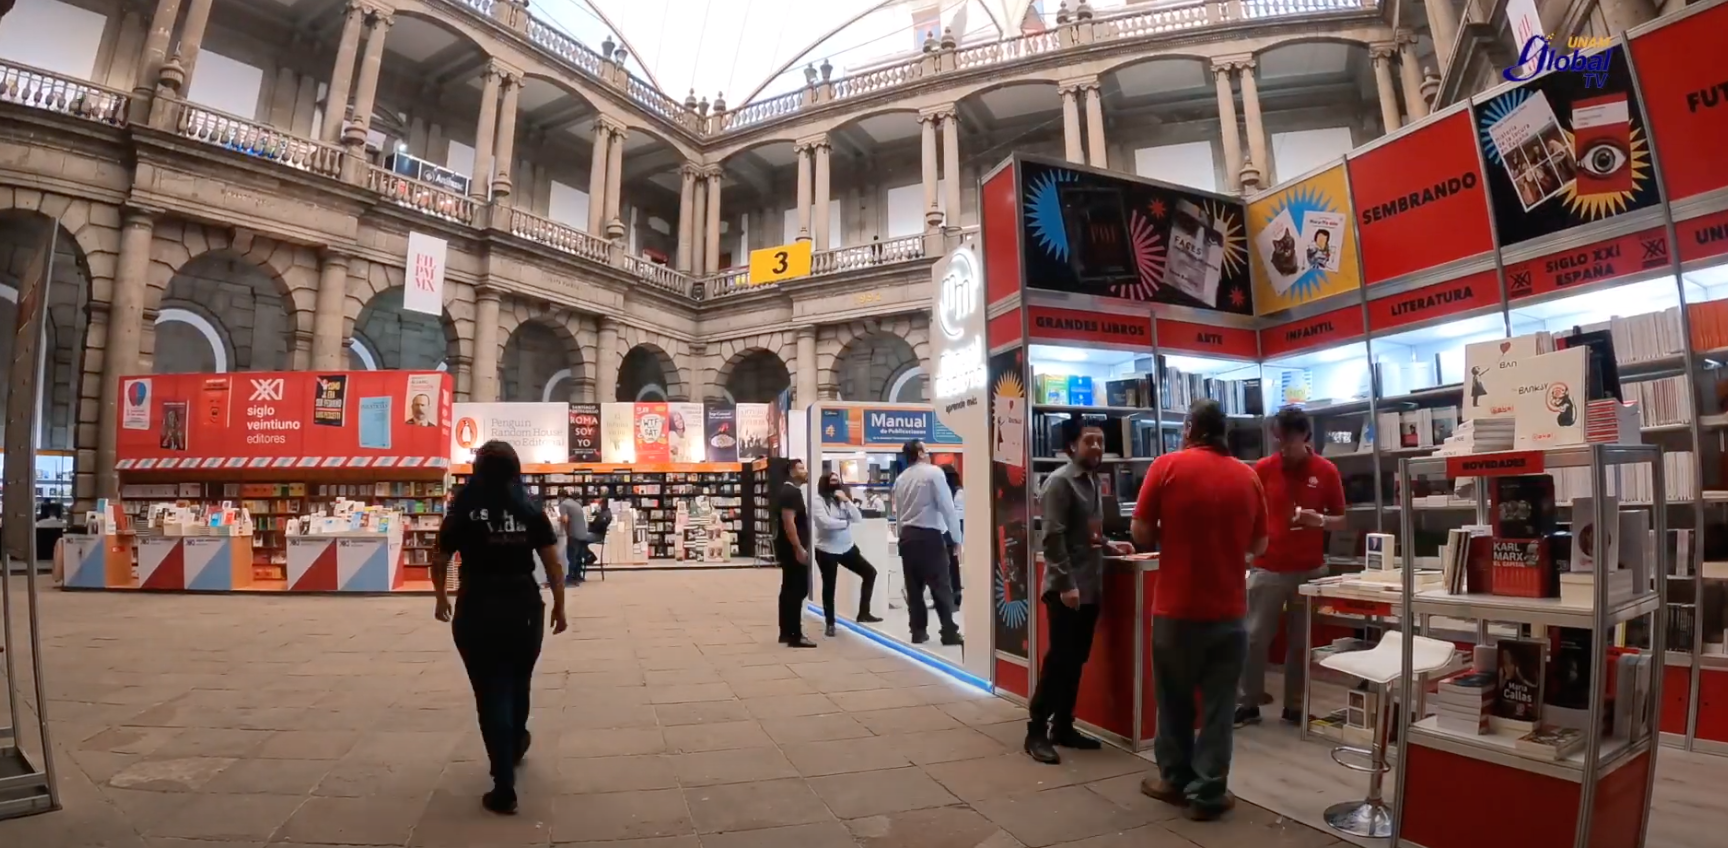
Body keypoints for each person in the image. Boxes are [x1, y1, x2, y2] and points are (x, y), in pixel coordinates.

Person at [1132, 399, 1267, 821]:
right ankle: (1208, 793)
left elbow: (1139, 531)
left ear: (1189, 428)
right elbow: (1259, 546)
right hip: (1228, 611)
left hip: (1175, 607)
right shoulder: (1249, 477)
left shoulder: (1166, 466)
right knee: (1219, 705)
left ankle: (1172, 779)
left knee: (1172, 699)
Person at [432, 440, 568, 816]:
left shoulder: (463, 508)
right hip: (523, 604)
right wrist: (559, 604)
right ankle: (517, 738)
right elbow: (551, 562)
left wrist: (441, 596)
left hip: (477, 602)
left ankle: (503, 782)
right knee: (519, 677)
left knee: (488, 689)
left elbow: (441, 555)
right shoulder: (528, 508)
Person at [1026, 418, 1131, 764]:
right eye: (1090, 441)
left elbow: (1089, 533)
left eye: (1101, 441)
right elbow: (1053, 537)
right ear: (1071, 446)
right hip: (1067, 590)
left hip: (1090, 587)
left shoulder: (1091, 482)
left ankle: (1064, 726)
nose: (1097, 448)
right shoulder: (1060, 483)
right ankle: (1036, 731)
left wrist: (1111, 546)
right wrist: (1067, 584)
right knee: (1059, 661)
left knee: (1076, 660)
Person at [1237, 406, 1345, 728]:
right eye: (1279, 439)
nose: (1284, 447)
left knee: (1300, 642)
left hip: (1309, 571)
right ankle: (1249, 702)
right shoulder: (1263, 468)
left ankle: (1295, 707)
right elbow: (1251, 515)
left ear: (1305, 437)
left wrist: (1320, 520)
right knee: (1254, 638)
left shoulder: (1326, 470)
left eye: (1290, 440)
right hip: (1268, 567)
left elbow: (1342, 519)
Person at [892, 440, 962, 646]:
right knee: (940, 585)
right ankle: (948, 631)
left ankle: (918, 631)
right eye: (927, 449)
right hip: (929, 536)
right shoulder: (934, 473)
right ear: (920, 453)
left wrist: (900, 536)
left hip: (907, 537)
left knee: (914, 588)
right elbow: (947, 507)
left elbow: (899, 514)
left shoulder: (901, 479)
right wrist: (956, 538)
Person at [810, 471, 883, 636]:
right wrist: (845, 523)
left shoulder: (841, 500)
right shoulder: (817, 500)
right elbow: (825, 523)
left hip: (846, 547)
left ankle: (864, 613)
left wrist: (847, 501)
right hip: (826, 549)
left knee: (870, 573)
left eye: (837, 480)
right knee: (829, 587)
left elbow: (858, 518)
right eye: (832, 480)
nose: (835, 483)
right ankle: (830, 623)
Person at [776, 459, 817, 648]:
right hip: (793, 550)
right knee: (797, 590)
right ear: (792, 472)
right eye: (801, 468)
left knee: (788, 590)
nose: (805, 471)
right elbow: (789, 522)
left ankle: (786, 632)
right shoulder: (791, 492)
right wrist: (799, 548)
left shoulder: (790, 491)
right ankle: (795, 634)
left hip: (790, 549)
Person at [942, 463, 964, 608]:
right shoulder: (949, 492)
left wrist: (957, 538)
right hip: (947, 532)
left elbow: (958, 516)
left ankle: (954, 594)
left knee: (951, 564)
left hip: (950, 532)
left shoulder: (958, 493)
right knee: (949, 564)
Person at [558, 488, 591, 586]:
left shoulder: (563, 505)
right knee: (578, 556)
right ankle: (578, 576)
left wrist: (560, 519)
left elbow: (565, 520)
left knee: (571, 557)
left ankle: (570, 579)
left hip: (574, 534)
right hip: (583, 533)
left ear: (560, 497)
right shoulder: (576, 503)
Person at [587, 499, 612, 570]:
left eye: (600, 504)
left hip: (598, 535)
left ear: (604, 504)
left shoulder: (606, 514)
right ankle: (589, 556)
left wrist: (597, 515)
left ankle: (590, 556)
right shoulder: (601, 512)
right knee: (580, 540)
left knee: (581, 538)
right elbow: (591, 520)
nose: (599, 505)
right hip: (594, 533)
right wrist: (594, 513)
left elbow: (599, 525)